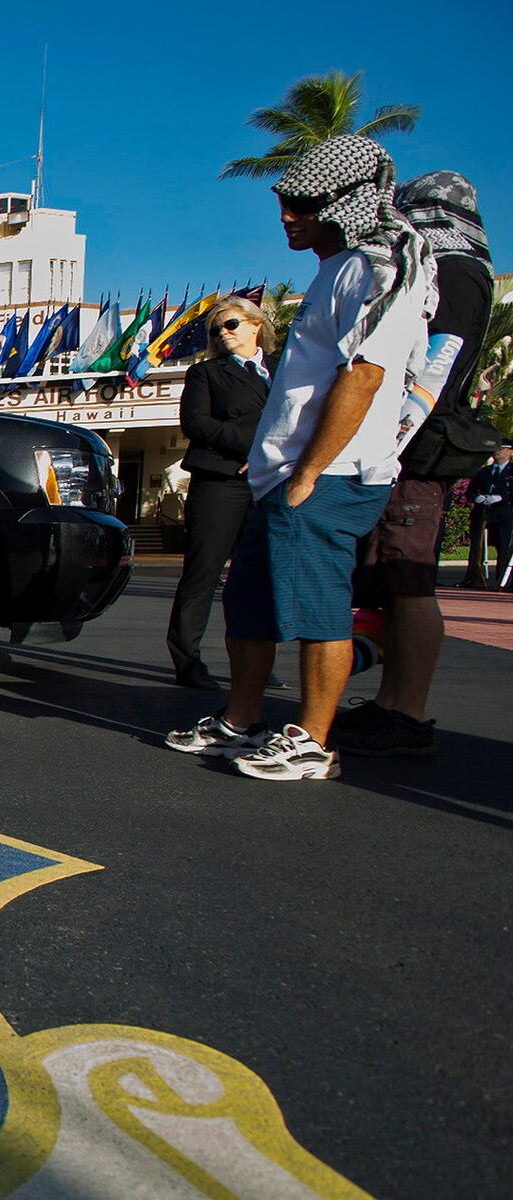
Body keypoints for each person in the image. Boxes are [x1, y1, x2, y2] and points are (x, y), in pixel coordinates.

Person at [165, 135, 433, 782]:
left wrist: (310, 469)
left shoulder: (378, 266)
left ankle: (312, 739)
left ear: (348, 201)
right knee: (250, 600)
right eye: (285, 201)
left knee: (318, 607)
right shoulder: (334, 268)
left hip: (330, 473)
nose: (287, 215)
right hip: (283, 475)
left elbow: (364, 375)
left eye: (303, 204)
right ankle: (240, 720)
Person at [330, 173, 495, 756]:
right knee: (392, 582)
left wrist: (396, 433)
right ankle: (391, 704)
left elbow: (436, 363)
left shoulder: (454, 271)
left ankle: (407, 711)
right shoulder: (453, 266)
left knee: (409, 580)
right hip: (408, 443)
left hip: (417, 446)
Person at [166, 296, 274, 689]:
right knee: (202, 573)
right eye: (216, 330)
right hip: (220, 481)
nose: (222, 334)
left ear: (255, 324)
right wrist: (252, 448)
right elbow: (196, 423)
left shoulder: (281, 370)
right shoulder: (206, 374)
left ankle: (256, 662)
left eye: (229, 325)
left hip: (268, 482)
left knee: (257, 577)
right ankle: (187, 661)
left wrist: (271, 456)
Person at [472, 446, 513, 588]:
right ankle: (474, 578)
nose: (497, 451)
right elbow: (471, 490)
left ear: (510, 451)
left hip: (504, 515)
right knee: (477, 548)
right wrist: (476, 497)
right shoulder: (484, 472)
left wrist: (502, 498)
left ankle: (503, 580)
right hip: (483, 513)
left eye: (502, 449)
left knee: (503, 548)